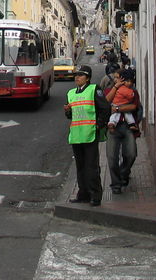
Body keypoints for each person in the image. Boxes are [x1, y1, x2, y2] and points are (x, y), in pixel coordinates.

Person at [64, 65, 110, 206]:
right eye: (76, 75)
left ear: (88, 78)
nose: (77, 77)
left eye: (81, 75)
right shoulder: (71, 93)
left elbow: (105, 108)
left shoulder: (94, 89)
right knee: (81, 167)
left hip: (90, 134)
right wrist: (67, 111)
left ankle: (95, 195)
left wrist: (99, 125)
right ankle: (83, 194)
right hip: (76, 135)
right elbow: (70, 115)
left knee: (91, 167)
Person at [103, 68, 141, 194]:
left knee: (131, 154)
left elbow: (133, 106)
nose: (115, 79)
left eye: (117, 77)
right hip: (113, 127)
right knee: (111, 157)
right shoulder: (109, 90)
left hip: (127, 126)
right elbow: (106, 102)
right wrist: (115, 87)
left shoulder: (132, 91)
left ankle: (123, 174)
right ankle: (116, 184)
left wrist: (118, 108)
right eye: (115, 78)